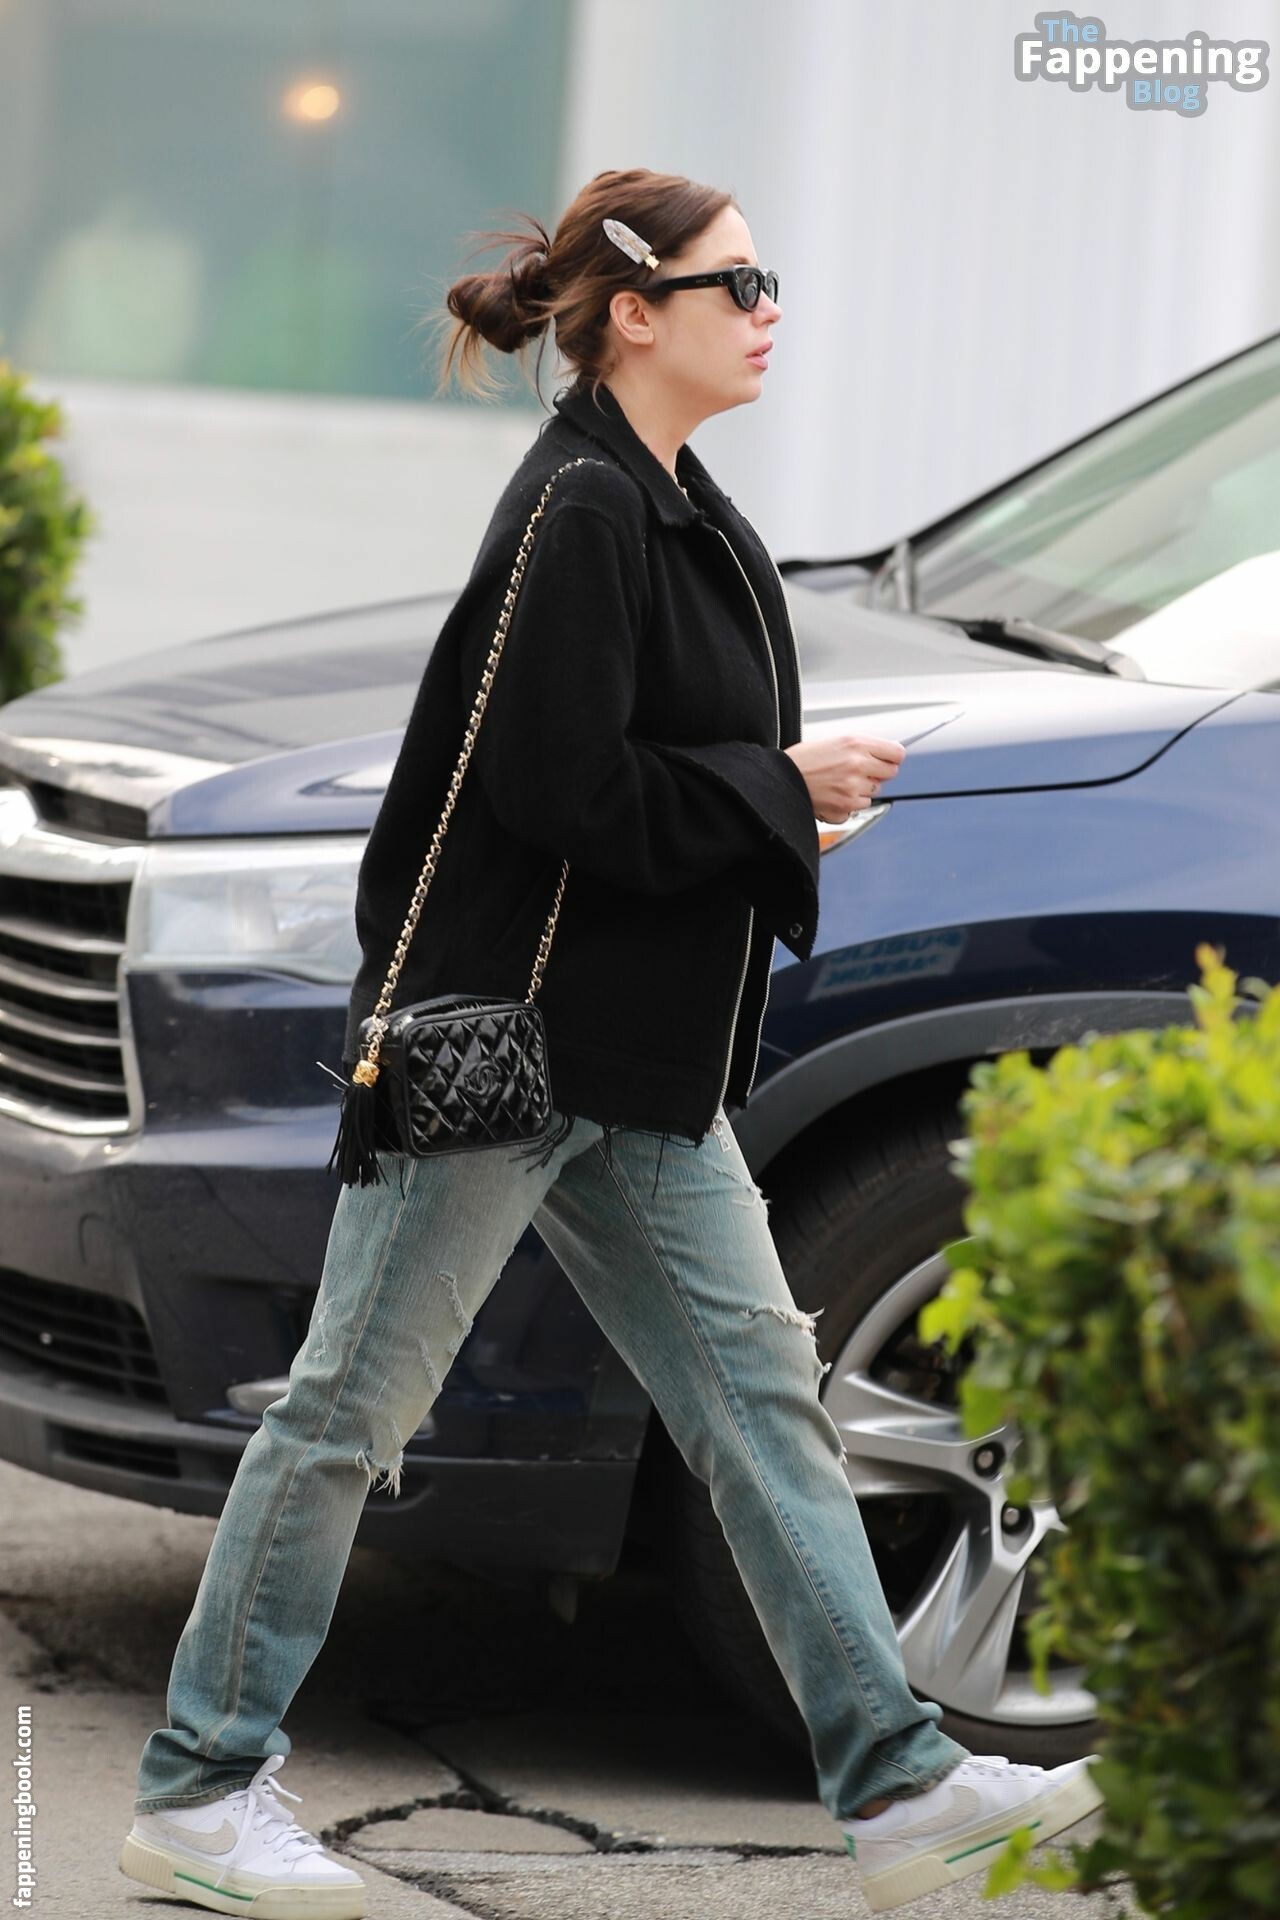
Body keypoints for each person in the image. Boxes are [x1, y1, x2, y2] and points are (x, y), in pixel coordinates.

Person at [120, 166, 1102, 1918]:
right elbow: (550, 790)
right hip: (506, 1065)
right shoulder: (580, 507)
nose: (771, 311)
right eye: (742, 284)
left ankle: (901, 1793)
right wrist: (772, 789)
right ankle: (199, 1792)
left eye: (770, 282)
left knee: (765, 1411)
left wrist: (772, 800)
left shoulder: (675, 501)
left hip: (638, 1076)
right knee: (347, 1412)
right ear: (635, 315)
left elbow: (640, 771)